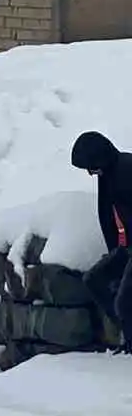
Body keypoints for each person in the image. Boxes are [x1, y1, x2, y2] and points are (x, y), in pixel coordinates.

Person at [71, 131, 132, 354]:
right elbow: (107, 217)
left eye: (90, 166)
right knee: (95, 280)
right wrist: (115, 253)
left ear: (100, 157)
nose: (89, 173)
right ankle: (129, 337)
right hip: (126, 249)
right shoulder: (106, 176)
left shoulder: (127, 169)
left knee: (124, 300)